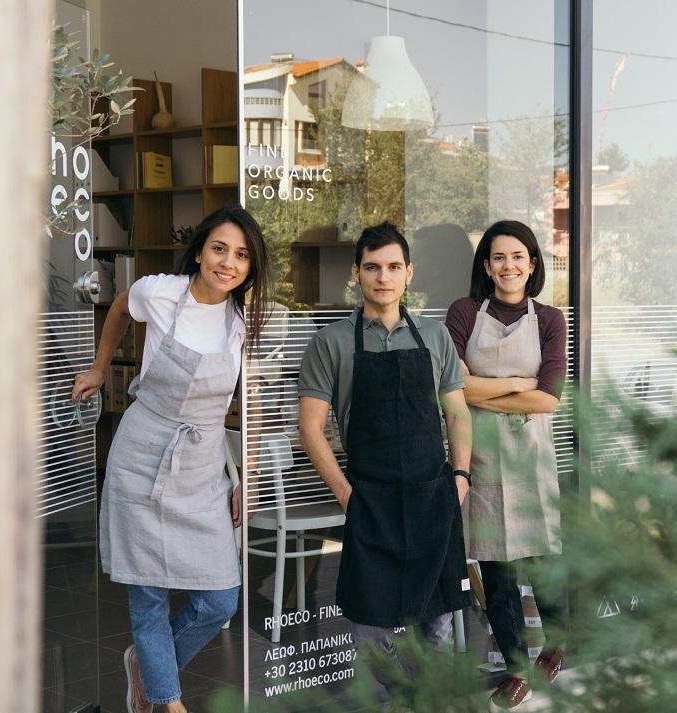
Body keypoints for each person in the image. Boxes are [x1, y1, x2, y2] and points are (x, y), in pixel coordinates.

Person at [71, 205, 271, 713]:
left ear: (251, 268)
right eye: (220, 249)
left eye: (242, 256)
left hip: (201, 463)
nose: (228, 263)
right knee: (150, 600)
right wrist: (98, 369)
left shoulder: (241, 323)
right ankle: (166, 702)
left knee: (220, 599)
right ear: (200, 251)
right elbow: (118, 307)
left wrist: (246, 478)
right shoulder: (159, 292)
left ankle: (148, 667)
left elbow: (249, 407)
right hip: (141, 452)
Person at [297, 222, 472, 696]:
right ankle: (408, 698)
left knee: (434, 626)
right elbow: (310, 427)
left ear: (408, 272)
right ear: (357, 273)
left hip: (431, 494)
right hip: (369, 498)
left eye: (393, 266)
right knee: (369, 628)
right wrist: (344, 492)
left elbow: (457, 414)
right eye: (372, 267)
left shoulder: (435, 336)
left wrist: (460, 476)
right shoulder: (331, 341)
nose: (383, 277)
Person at [445, 220, 568, 710]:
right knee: (495, 571)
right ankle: (516, 666)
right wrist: (520, 383)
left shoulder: (549, 319)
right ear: (486, 266)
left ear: (533, 264)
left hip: (531, 457)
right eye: (498, 257)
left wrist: (483, 391)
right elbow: (452, 387)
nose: (508, 266)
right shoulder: (463, 311)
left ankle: (557, 644)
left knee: (542, 562)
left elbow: (550, 401)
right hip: (481, 454)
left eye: (518, 257)